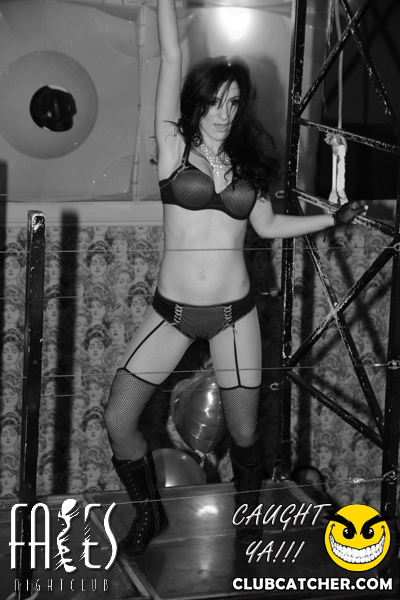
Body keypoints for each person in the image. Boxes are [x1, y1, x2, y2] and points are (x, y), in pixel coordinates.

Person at [104, 0, 367, 559]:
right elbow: (172, 53)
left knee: (245, 433)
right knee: (119, 417)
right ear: (196, 103)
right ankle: (149, 512)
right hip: (172, 314)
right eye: (214, 101)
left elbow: (267, 226)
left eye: (233, 102)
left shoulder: (248, 165)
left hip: (233, 316)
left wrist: (332, 218)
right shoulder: (172, 148)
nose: (223, 113)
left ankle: (248, 521)